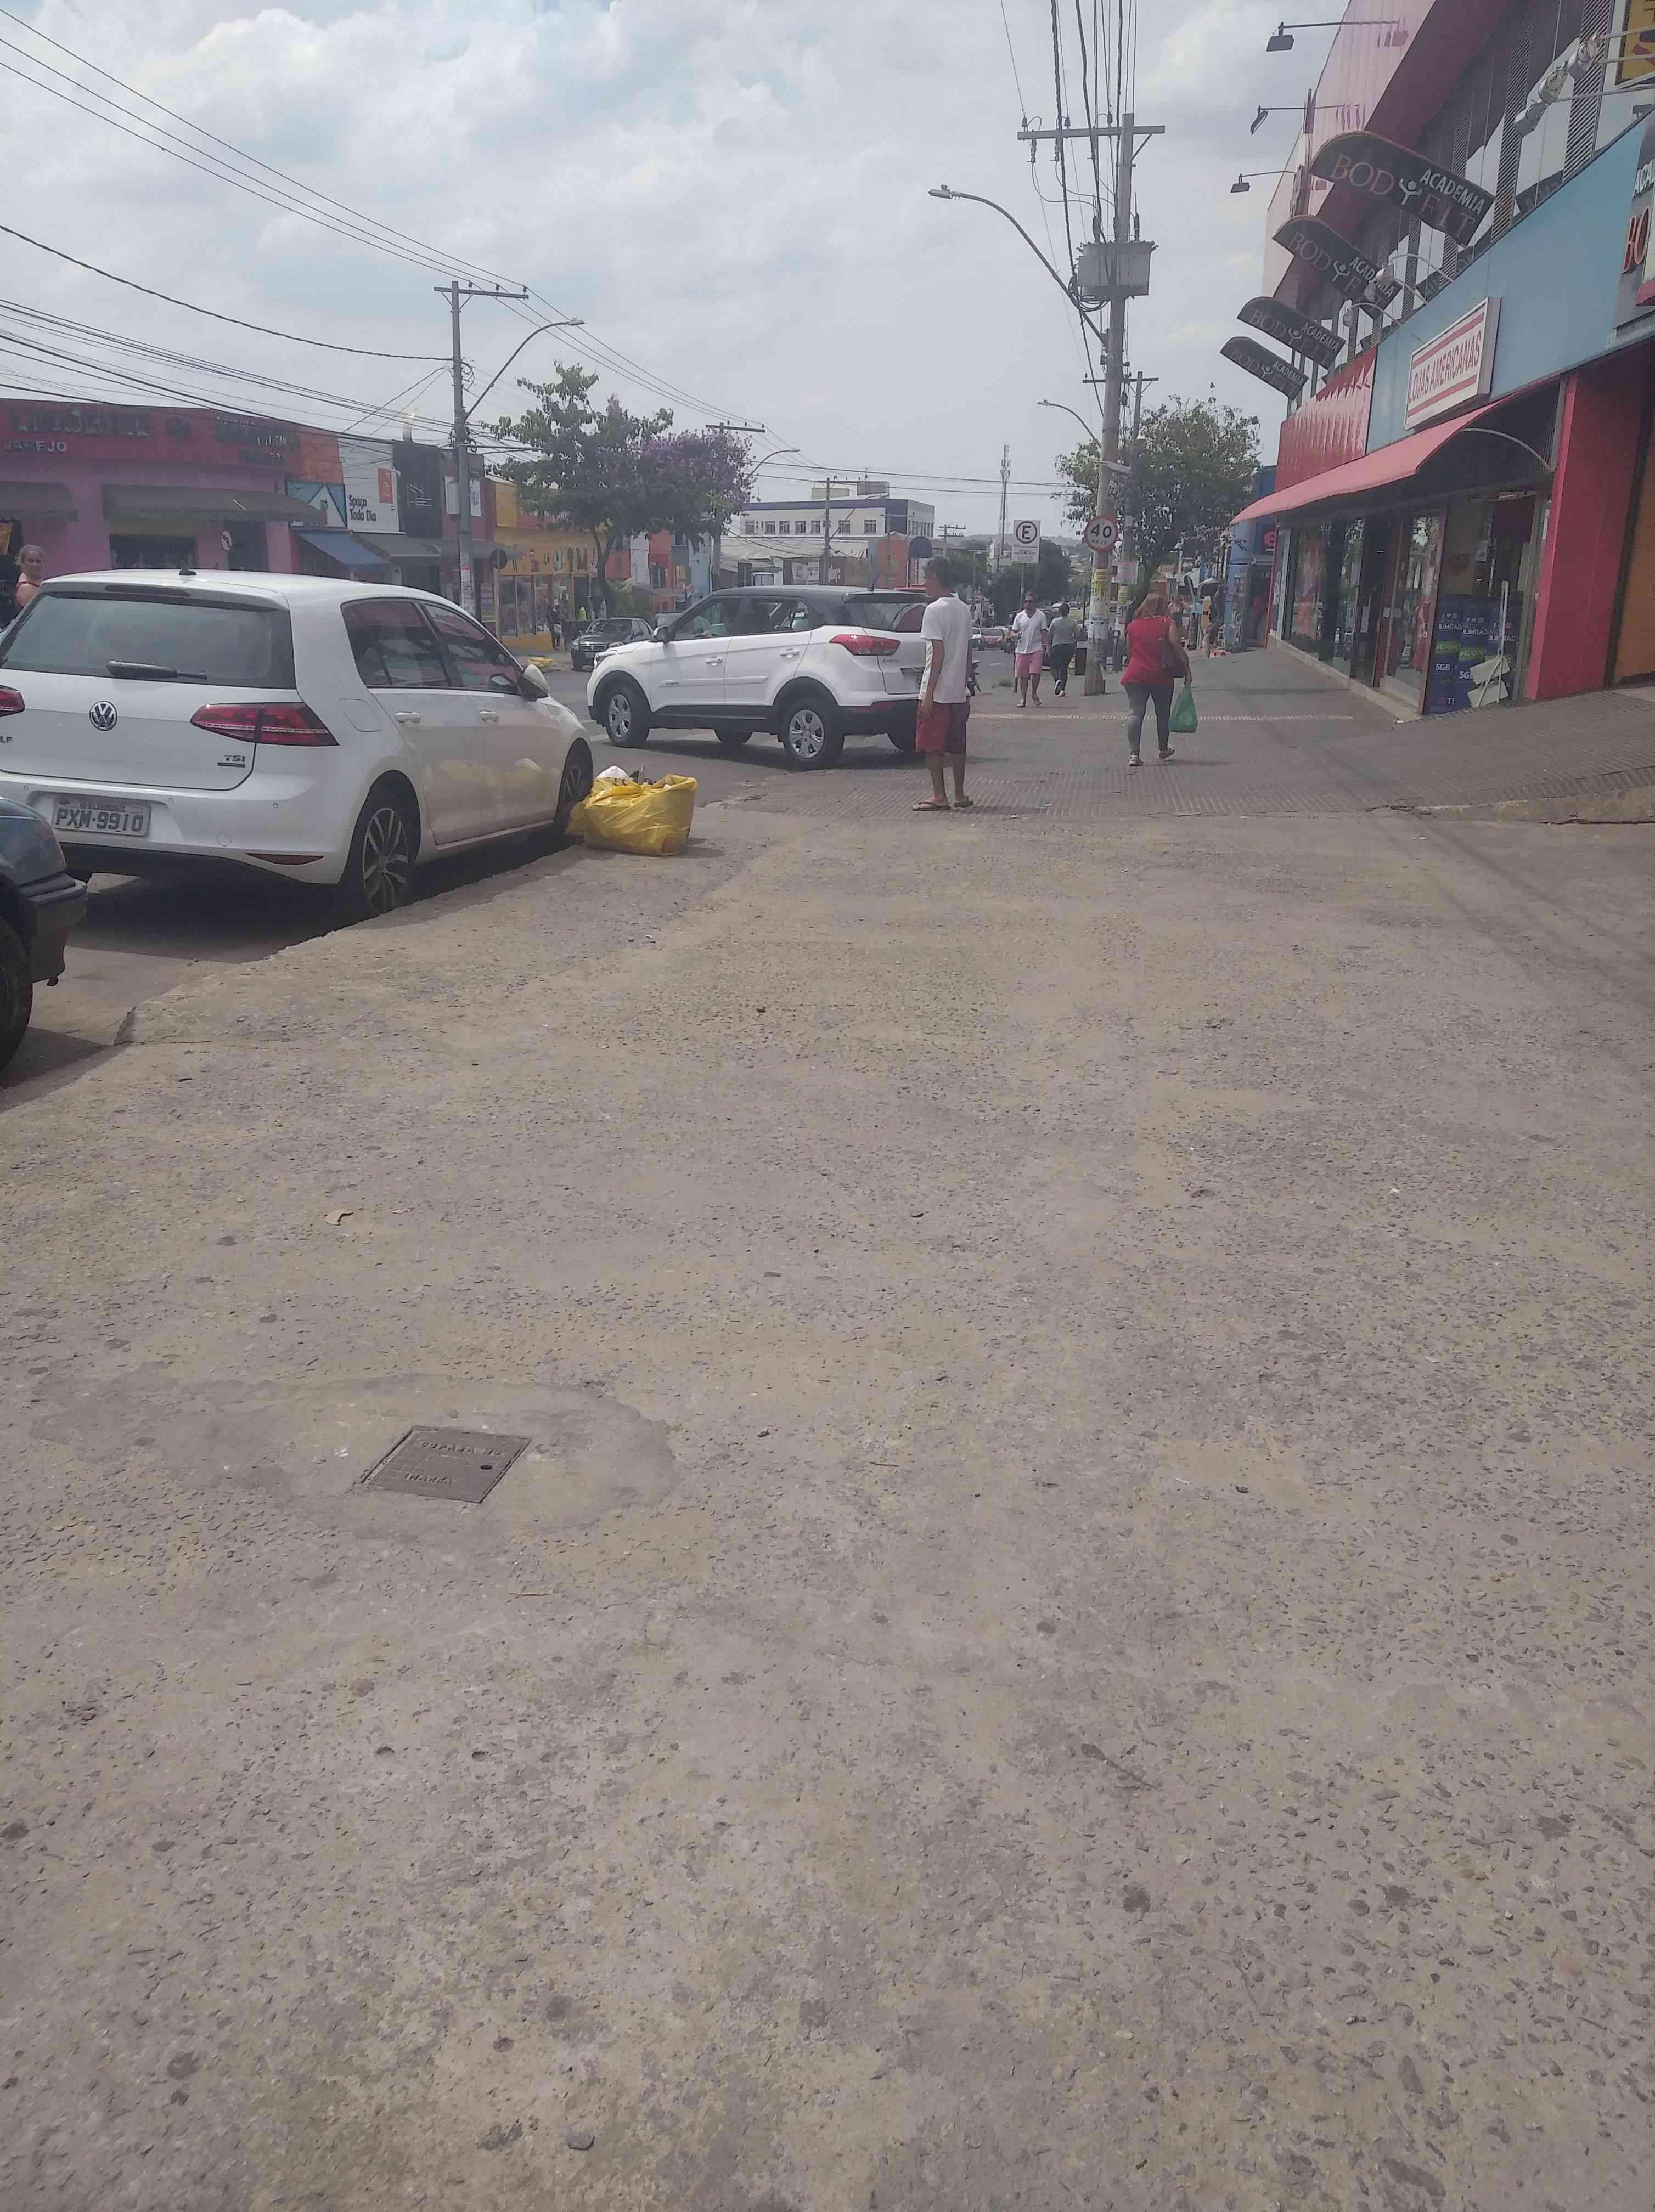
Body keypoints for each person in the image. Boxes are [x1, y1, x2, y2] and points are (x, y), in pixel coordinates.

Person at [911, 554, 973, 814]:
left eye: (926, 578)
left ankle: (939, 796)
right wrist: (966, 684)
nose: (924, 583)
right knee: (958, 745)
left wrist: (928, 693)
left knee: (932, 746)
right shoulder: (964, 609)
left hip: (938, 693)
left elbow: (937, 653)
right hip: (959, 692)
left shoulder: (934, 611)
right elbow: (968, 653)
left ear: (936, 578)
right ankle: (960, 793)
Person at [1120, 588, 1191, 767]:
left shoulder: (1133, 626)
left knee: (1135, 713)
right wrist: (1187, 669)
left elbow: (1130, 652)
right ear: (1161, 607)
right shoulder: (1167, 623)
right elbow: (1177, 648)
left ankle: (1134, 755)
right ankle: (1163, 749)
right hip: (1161, 676)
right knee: (1163, 714)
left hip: (1135, 675)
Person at [1010, 592, 1049, 707]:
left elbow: (1044, 633)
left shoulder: (1041, 616)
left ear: (1035, 603)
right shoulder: (1020, 616)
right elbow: (1013, 632)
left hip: (1036, 648)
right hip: (1022, 650)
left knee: (1035, 673)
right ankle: (1023, 699)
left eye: (1030, 601)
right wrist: (1015, 636)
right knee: (1023, 676)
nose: (1028, 604)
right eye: (1026, 601)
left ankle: (1034, 693)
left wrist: (1047, 646)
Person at [1046, 602, 1078, 696]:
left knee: (1054, 668)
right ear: (1069, 612)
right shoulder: (1073, 622)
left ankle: (1058, 681)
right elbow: (1078, 635)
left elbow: (1049, 636)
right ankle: (1062, 690)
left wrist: (1048, 647)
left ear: (1060, 611)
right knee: (1064, 668)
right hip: (1069, 647)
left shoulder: (1055, 621)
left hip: (1057, 647)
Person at [14, 545, 44, 611]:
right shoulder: (26, 588)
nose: (35, 565)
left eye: (38, 561)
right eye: (30, 561)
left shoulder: (37, 581)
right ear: (22, 563)